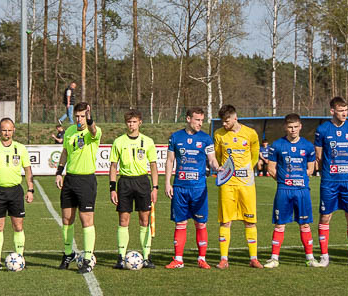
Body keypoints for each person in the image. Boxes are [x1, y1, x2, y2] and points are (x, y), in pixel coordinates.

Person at [261, 113, 317, 268]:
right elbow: (271, 169)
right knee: (280, 224)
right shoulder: (277, 145)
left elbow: (311, 169)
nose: (293, 130)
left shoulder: (307, 146)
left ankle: (310, 258)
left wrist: (299, 180)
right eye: (290, 127)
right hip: (284, 190)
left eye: (296, 127)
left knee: (305, 225)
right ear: (285, 127)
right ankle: (274, 259)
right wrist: (283, 181)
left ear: (300, 127)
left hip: (302, 191)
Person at [163, 106, 216, 268]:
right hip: (180, 187)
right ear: (188, 119)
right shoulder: (176, 137)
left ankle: (202, 259)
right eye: (197, 120)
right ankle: (178, 260)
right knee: (180, 223)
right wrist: (167, 183)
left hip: (199, 188)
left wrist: (218, 167)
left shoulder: (206, 139)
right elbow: (170, 161)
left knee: (201, 224)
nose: (200, 123)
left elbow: (212, 159)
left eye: (202, 120)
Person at [313, 96, 348, 267]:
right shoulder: (322, 129)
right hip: (329, 181)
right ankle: (324, 256)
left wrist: (347, 169)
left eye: (346, 110)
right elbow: (319, 155)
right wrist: (330, 169)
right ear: (332, 111)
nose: (344, 113)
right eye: (341, 110)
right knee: (325, 217)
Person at [108, 109, 159, 269]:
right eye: (129, 122)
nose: (131, 125)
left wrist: (155, 187)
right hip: (125, 183)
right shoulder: (119, 142)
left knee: (144, 220)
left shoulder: (148, 141)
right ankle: (121, 257)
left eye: (134, 122)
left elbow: (153, 165)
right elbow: (113, 166)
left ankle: (147, 257)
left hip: (142, 182)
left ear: (140, 123)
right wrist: (112, 188)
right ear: (126, 123)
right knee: (123, 220)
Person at [212, 104, 261, 268]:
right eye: (222, 121)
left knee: (250, 221)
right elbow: (218, 156)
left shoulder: (250, 133)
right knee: (225, 221)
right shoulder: (219, 134)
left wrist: (247, 170)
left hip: (246, 184)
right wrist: (225, 172)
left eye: (227, 121)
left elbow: (254, 156)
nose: (224, 124)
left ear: (235, 118)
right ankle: (224, 259)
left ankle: (253, 258)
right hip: (227, 184)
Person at [0, 117, 34, 269]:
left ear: (14, 130)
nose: (7, 133)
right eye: (4, 130)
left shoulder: (21, 148)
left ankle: (20, 258)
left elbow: (28, 170)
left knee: (18, 225)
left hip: (15, 191)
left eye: (9, 130)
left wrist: (30, 189)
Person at [56, 102, 102, 270]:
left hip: (86, 181)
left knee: (86, 219)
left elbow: (94, 131)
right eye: (77, 116)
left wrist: (90, 119)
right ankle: (68, 253)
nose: (79, 119)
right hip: (70, 179)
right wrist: (59, 172)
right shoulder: (69, 131)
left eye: (82, 116)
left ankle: (88, 258)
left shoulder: (93, 131)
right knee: (67, 219)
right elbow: (65, 152)